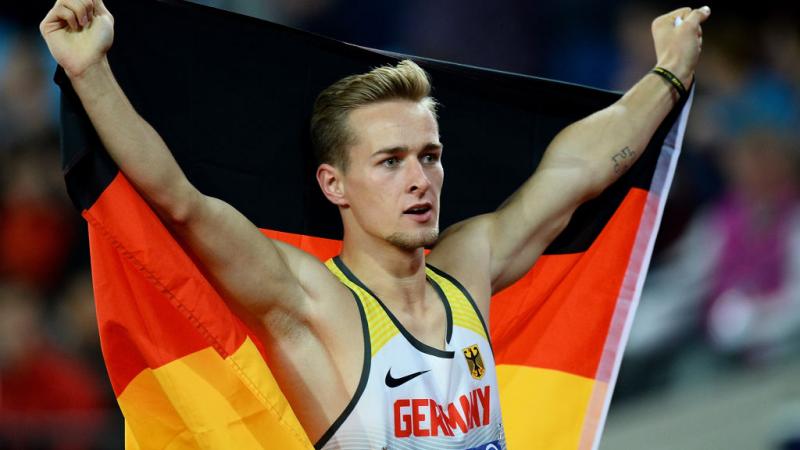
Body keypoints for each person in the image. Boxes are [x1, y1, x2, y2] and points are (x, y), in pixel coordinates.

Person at [39, 0, 709, 448]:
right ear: (335, 184)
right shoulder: (311, 303)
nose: (420, 180)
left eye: (429, 157)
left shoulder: (467, 266)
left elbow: (576, 172)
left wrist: (670, 72)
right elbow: (178, 200)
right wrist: (89, 69)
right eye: (390, 162)